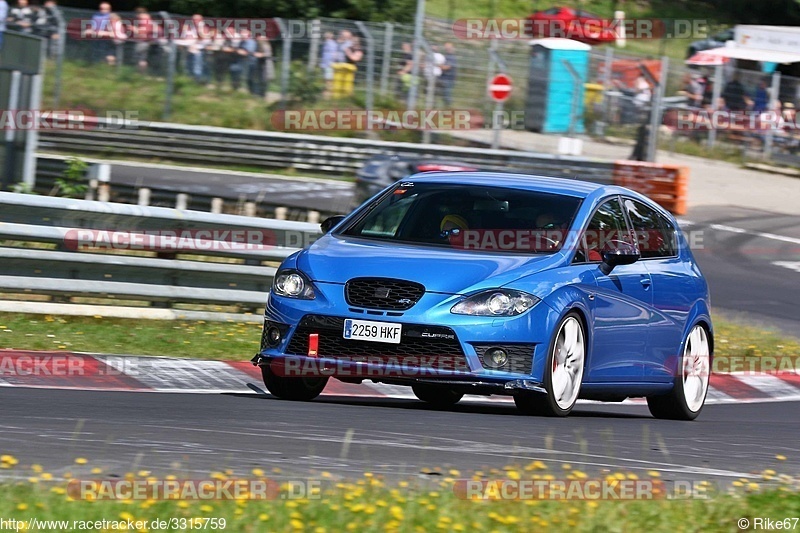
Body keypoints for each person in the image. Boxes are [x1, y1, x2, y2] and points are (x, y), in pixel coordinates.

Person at [319, 31, 338, 98]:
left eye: (327, 34)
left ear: (331, 36)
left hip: (329, 64)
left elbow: (334, 54)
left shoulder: (332, 43)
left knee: (328, 80)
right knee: (325, 79)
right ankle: (325, 93)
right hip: (325, 64)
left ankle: (328, 95)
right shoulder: (326, 43)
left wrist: (332, 62)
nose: (326, 35)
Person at [439, 42, 457, 106]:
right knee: (444, 95)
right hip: (444, 78)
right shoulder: (446, 56)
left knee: (447, 95)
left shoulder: (451, 57)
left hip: (448, 79)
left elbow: (447, 67)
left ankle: (449, 108)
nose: (447, 49)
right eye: (446, 47)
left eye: (449, 47)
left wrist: (438, 66)